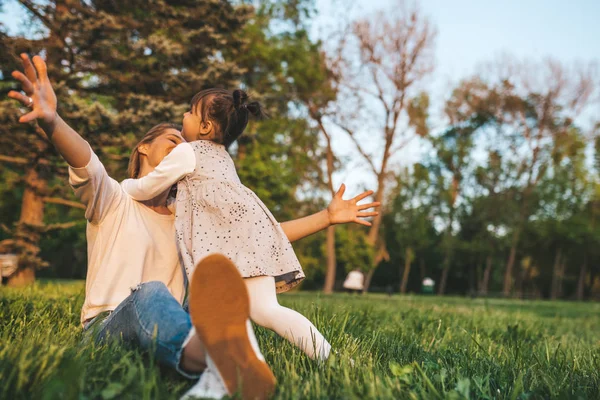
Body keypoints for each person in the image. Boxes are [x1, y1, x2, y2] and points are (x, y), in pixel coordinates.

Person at [8, 54, 379, 398]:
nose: (183, 147)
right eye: (173, 141)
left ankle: (217, 369)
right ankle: (221, 360)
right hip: (109, 327)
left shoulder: (191, 219)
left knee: (199, 308)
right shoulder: (115, 199)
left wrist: (326, 218)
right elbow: (86, 161)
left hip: (170, 326)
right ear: (143, 150)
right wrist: (53, 122)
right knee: (151, 293)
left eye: (184, 140)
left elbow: (257, 236)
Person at [122, 88, 379, 362]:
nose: (183, 115)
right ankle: (330, 357)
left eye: (190, 112)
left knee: (210, 310)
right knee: (267, 310)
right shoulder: (222, 158)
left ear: (206, 126)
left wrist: (125, 187)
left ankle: (231, 364)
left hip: (224, 249)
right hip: (252, 238)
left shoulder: (188, 152)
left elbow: (150, 185)